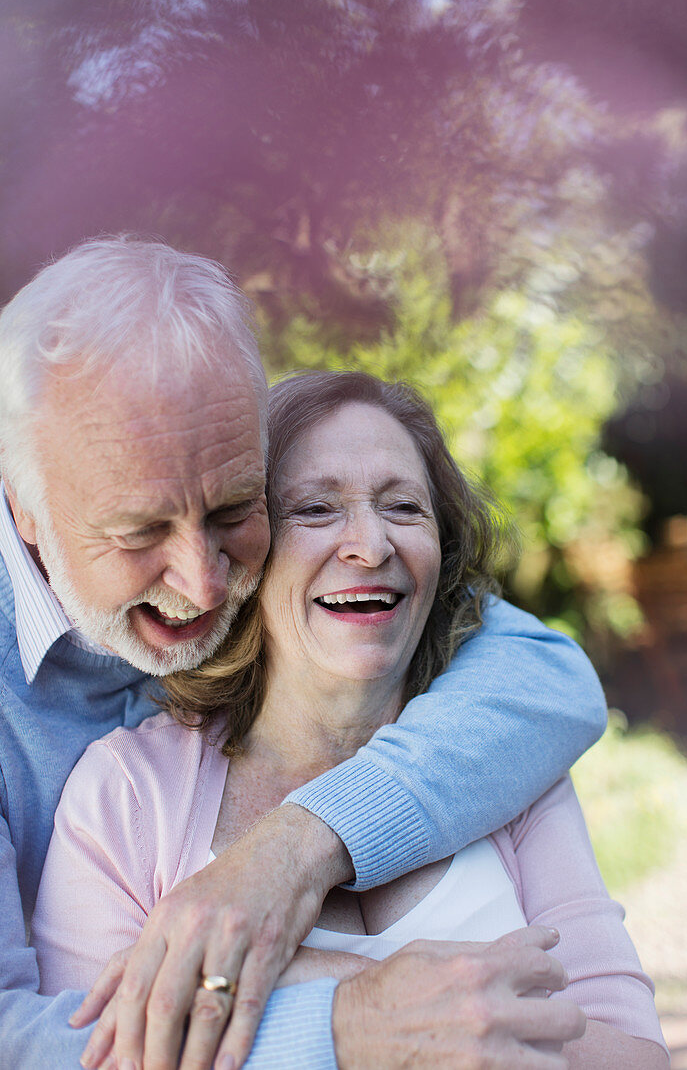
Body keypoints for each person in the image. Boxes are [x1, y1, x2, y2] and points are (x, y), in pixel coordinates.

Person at [0, 238, 608, 1070]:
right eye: (138, 531)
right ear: (21, 503)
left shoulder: (333, 606)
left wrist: (292, 849)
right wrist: (339, 1024)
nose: (207, 584)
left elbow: (549, 677)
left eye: (233, 509)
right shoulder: (122, 793)